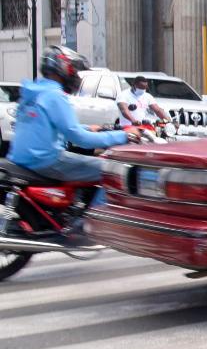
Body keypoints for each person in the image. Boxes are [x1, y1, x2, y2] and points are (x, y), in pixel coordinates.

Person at [8, 46, 139, 229]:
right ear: (63, 68)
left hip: (23, 158)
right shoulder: (55, 96)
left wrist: (89, 128)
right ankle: (90, 225)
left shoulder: (33, 93)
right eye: (74, 70)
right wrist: (123, 135)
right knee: (112, 171)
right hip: (46, 159)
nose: (76, 75)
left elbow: (50, 127)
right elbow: (79, 138)